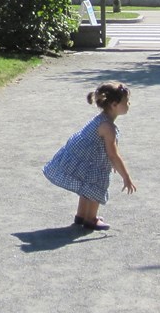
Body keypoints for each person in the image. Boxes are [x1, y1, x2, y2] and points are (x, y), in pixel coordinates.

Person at [43, 81, 136, 231]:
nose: (129, 104)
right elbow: (113, 155)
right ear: (113, 104)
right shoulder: (108, 127)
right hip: (88, 161)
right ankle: (90, 219)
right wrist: (126, 176)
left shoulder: (101, 119)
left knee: (86, 184)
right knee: (95, 184)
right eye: (126, 101)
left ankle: (81, 215)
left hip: (84, 158)